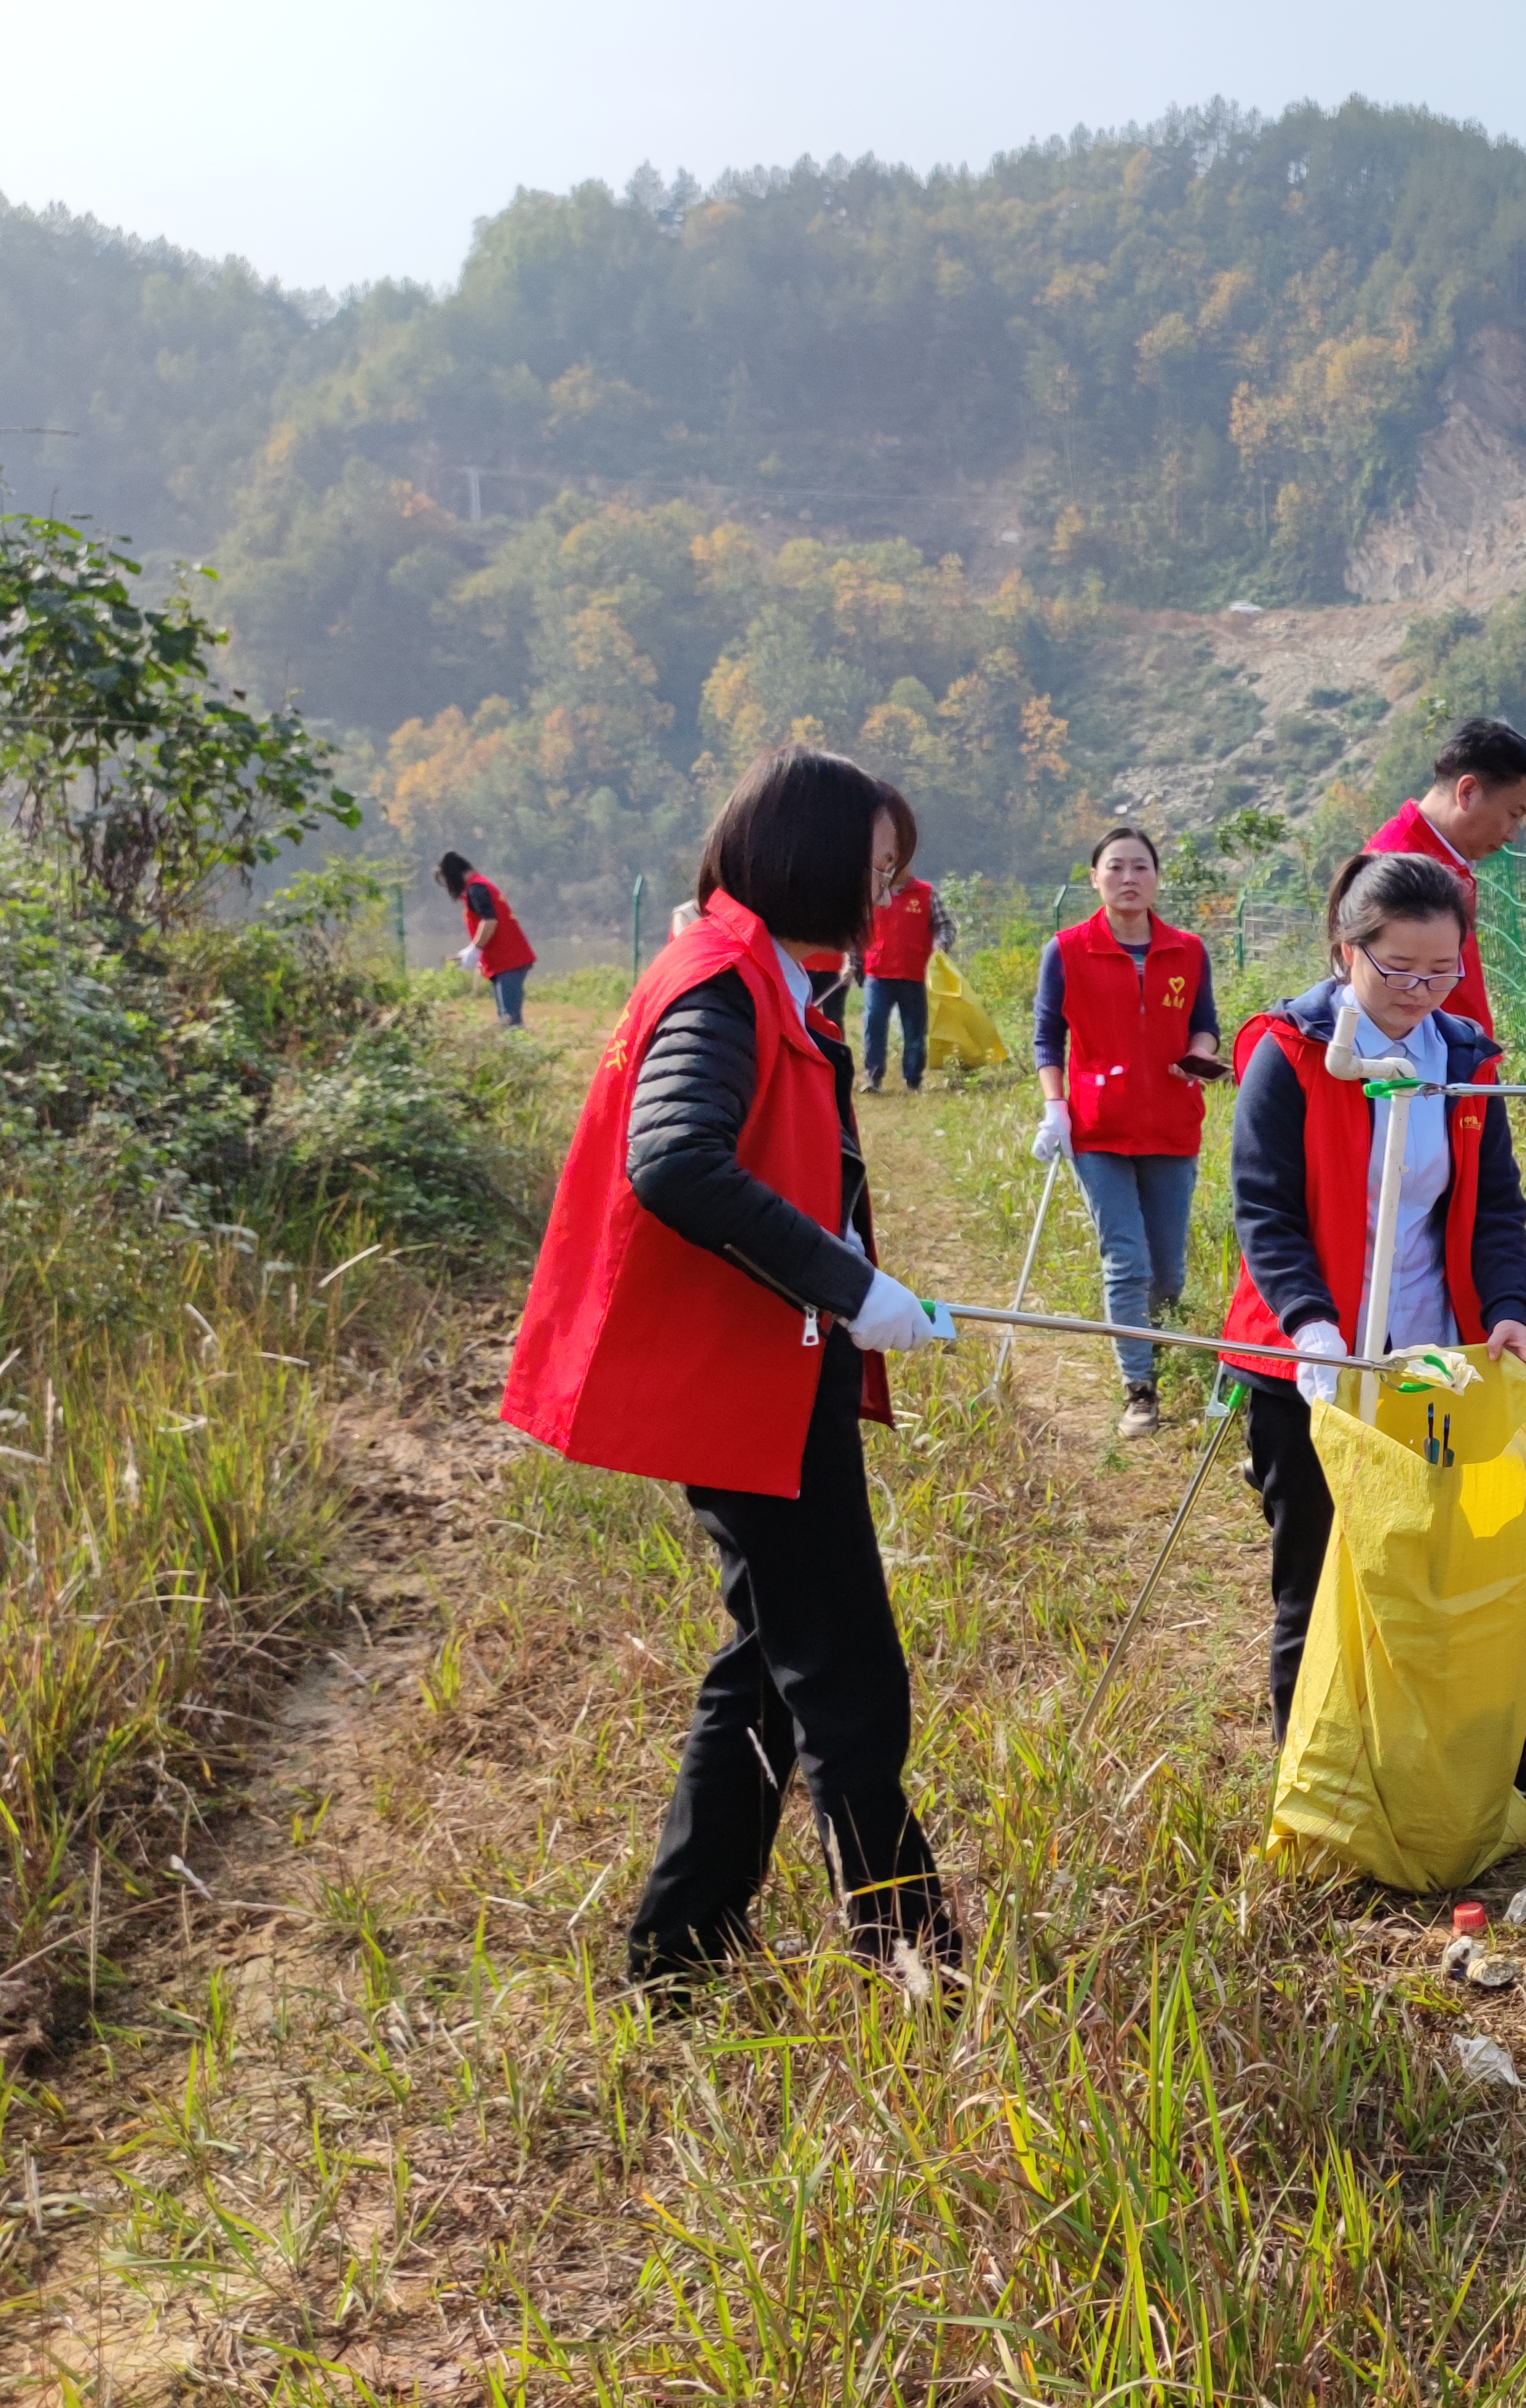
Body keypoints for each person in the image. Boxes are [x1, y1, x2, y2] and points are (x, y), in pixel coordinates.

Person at [499, 746, 962, 1991]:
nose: (880, 900)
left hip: (771, 1370)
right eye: (869, 872)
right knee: (846, 1673)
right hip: (740, 1381)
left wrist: (848, 1278)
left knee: (767, 1662)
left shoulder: (753, 965)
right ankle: (913, 1952)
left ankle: (681, 1949)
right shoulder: (718, 981)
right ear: (805, 857)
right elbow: (678, 1162)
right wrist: (851, 1284)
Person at [1219, 852, 1526, 1818]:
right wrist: (1310, 1326)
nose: (1420, 992)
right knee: (1321, 1569)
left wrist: (1506, 1312)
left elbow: (1495, 1207)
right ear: (1346, 952)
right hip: (1314, 1361)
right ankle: (1318, 1787)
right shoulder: (1287, 1053)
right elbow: (1265, 1211)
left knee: (1444, 1568)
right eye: (1397, 971)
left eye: (1441, 971)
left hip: (1432, 1355)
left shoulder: (1462, 1057)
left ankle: (1488, 1766)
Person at [1032, 827, 1223, 1436]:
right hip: (1098, 1127)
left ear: (1157, 878)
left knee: (1168, 1271)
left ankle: (1159, 1352)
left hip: (1170, 1124)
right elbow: (1046, 1038)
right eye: (1115, 868)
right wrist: (1055, 1107)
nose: (1128, 878)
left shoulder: (1188, 950)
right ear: (1095, 878)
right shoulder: (1066, 950)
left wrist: (1199, 1054)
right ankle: (1139, 1387)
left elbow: (1206, 1023)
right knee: (1127, 1261)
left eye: (1140, 867)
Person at [1361, 716, 1526, 1034]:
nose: (1512, 835)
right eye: (1513, 815)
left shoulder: (1438, 861)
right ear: (1467, 792)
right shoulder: (1399, 874)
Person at [854, 799, 948, 1092]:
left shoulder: (926, 894)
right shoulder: (872, 891)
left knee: (915, 1031)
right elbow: (858, 929)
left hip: (914, 974)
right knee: (873, 1026)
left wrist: (940, 946)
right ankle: (873, 1077)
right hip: (878, 972)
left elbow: (944, 926)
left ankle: (913, 1080)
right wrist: (855, 962)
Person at [434, 853, 538, 1028]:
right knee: (506, 1016)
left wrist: (475, 949)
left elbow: (490, 921)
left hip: (509, 961)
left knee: (510, 1020)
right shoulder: (479, 886)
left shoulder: (477, 889)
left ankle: (517, 1053)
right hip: (505, 960)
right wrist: (467, 953)